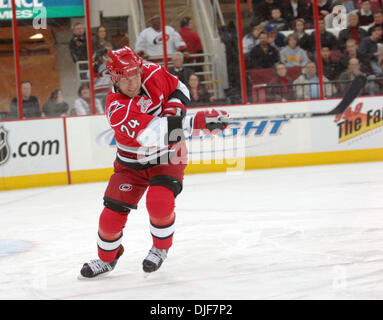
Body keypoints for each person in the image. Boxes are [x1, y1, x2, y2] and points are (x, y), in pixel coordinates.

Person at [78, 46, 228, 278]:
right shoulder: (116, 107)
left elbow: (179, 87)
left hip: (168, 156)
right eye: (126, 79)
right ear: (115, 79)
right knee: (109, 221)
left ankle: (160, 249)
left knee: (159, 202)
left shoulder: (151, 71)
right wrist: (196, 122)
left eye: (136, 75)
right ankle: (107, 258)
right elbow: (153, 135)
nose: (133, 83)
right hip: (131, 166)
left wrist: (173, 108)